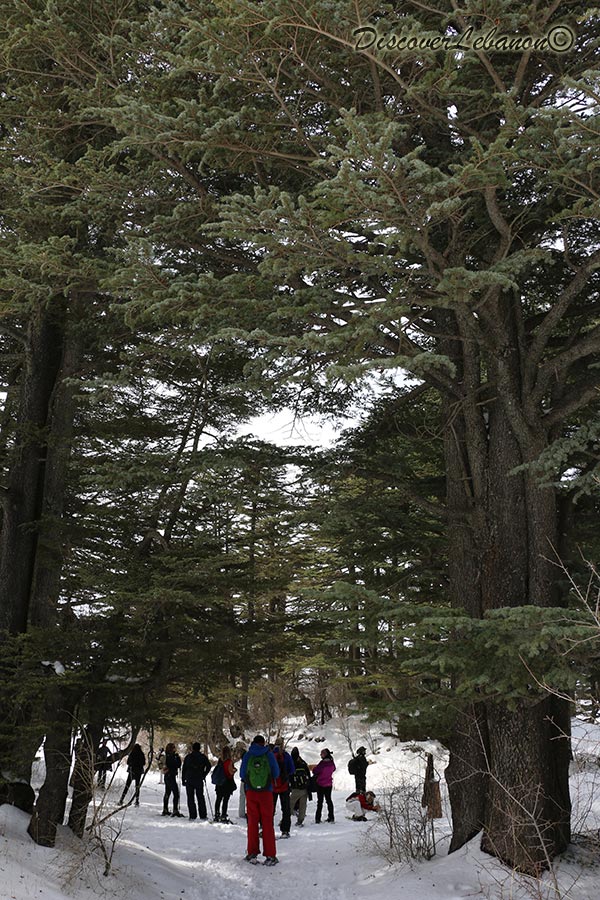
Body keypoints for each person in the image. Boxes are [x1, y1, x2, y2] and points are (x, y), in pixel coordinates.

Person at [239, 734, 280, 866]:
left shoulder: (248, 755)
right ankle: (270, 855)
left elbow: (242, 774)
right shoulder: (268, 755)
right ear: (263, 743)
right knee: (267, 823)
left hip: (251, 792)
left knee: (252, 823)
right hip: (266, 792)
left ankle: (252, 853)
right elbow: (276, 773)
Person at [271, 738, 295, 838]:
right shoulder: (286, 755)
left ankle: (267, 829)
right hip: (284, 787)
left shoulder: (270, 755)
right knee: (285, 809)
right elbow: (292, 770)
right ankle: (285, 830)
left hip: (272, 787)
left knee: (270, 809)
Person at [182, 742, 211, 820]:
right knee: (200, 797)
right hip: (199, 778)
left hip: (189, 779)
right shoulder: (202, 757)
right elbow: (208, 766)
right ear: (199, 748)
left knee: (190, 797)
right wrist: (204, 774)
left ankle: (192, 815)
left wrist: (183, 779)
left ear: (192, 748)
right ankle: (203, 815)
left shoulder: (188, 757)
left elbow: (184, 769)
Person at [213, 745, 237, 823]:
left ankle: (216, 814)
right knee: (225, 800)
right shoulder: (229, 761)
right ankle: (223, 815)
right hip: (227, 783)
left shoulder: (220, 761)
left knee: (218, 799)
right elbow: (229, 773)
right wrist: (234, 771)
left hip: (219, 783)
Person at [312, 747, 336, 823]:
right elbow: (334, 769)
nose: (320, 755)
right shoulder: (332, 762)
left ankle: (318, 818)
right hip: (329, 784)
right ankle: (331, 817)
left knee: (320, 802)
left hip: (320, 784)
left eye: (321, 754)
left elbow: (315, 771)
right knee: (329, 800)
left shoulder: (322, 763)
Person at [289, 746, 311, 827]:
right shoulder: (303, 763)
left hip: (295, 788)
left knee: (290, 804)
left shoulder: (291, 762)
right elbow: (308, 775)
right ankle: (300, 821)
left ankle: (286, 819)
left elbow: (289, 775)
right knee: (303, 805)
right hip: (305, 787)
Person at [163, 742, 183, 817]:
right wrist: (178, 758)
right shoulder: (172, 756)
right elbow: (177, 765)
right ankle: (175, 810)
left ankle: (165, 809)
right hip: (171, 776)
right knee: (176, 793)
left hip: (167, 776)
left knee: (167, 792)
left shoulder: (166, 756)